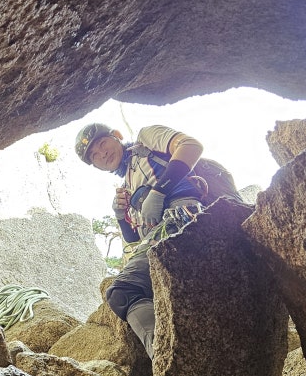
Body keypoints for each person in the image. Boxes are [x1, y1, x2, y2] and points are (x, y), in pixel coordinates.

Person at [75, 122, 207, 363]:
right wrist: (121, 216)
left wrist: (159, 192)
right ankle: (176, 365)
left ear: (116, 135)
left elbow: (191, 145)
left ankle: (167, 366)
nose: (102, 154)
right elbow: (135, 240)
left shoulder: (146, 140)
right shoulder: (126, 186)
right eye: (94, 155)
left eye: (102, 143)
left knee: (124, 291)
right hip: (161, 235)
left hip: (184, 218)